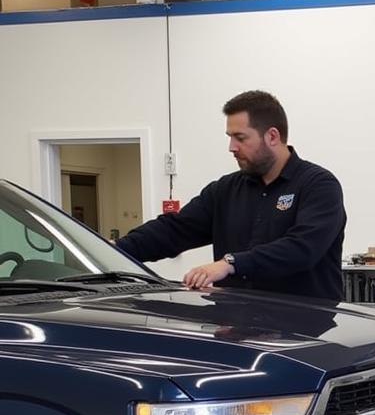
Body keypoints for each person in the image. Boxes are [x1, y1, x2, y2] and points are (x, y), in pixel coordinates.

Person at [116, 90, 345, 301]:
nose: (231, 147)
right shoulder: (226, 190)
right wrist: (112, 250)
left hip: (305, 332)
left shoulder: (319, 185)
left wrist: (230, 263)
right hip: (235, 329)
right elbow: (174, 230)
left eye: (240, 137)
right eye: (229, 137)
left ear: (272, 136)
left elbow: (302, 249)